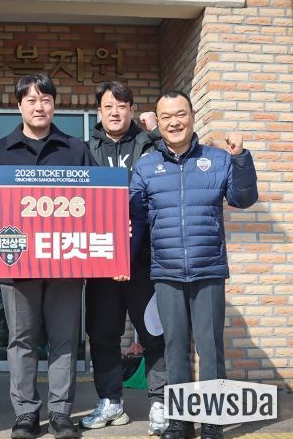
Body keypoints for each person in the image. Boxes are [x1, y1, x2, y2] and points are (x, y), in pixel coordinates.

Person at [129, 90, 258, 439]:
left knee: (210, 348)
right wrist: (123, 260)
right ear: (158, 122)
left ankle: (212, 423)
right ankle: (180, 422)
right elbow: (135, 219)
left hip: (208, 269)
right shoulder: (146, 166)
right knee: (174, 348)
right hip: (166, 271)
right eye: (167, 116)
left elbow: (243, 198)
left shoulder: (218, 159)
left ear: (192, 115)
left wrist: (241, 158)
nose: (174, 122)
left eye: (180, 114)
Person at [0, 74, 95, 439]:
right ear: (19, 106)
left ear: (54, 105)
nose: (38, 106)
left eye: (45, 99)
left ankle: (61, 413)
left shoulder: (76, 149)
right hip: (16, 264)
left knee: (64, 341)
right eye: (30, 100)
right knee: (21, 341)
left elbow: (99, 200)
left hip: (66, 262)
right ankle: (25, 414)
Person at [81, 81, 168, 436]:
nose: (115, 112)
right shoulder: (86, 149)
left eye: (121, 106)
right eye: (108, 106)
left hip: (144, 259)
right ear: (99, 112)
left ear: (132, 109)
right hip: (101, 259)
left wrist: (156, 130)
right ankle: (110, 401)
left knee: (153, 332)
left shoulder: (148, 143)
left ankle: (160, 402)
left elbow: (175, 155)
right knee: (102, 333)